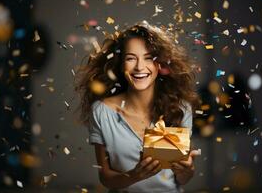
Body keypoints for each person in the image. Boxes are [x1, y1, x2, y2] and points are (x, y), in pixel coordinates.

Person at [76, 21, 200, 193]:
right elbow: (105, 177)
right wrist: (134, 175)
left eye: (149, 58)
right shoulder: (102, 111)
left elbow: (181, 179)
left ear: (160, 64)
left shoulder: (179, 108)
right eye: (130, 58)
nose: (140, 67)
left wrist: (187, 171)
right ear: (121, 64)